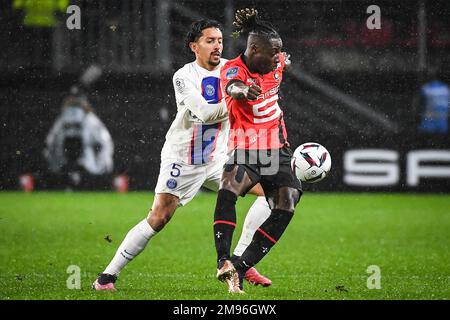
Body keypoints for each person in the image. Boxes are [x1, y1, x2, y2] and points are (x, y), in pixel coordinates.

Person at [93, 19, 273, 291]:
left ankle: (239, 261)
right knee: (159, 218)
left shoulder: (230, 69)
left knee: (270, 193)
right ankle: (106, 277)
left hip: (217, 159)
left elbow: (262, 71)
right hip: (183, 159)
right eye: (210, 41)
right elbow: (206, 113)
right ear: (194, 46)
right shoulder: (183, 76)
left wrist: (278, 62)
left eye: (220, 40)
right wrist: (239, 97)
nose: (217, 46)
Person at [213, 8, 302, 293]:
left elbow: (283, 61)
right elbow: (233, 86)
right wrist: (241, 91)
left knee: (287, 204)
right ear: (253, 50)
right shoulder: (234, 69)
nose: (277, 56)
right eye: (272, 52)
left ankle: (240, 267)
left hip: (278, 150)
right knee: (229, 190)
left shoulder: (276, 63)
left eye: (279, 51)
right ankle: (223, 261)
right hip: (247, 148)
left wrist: (283, 60)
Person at [44, 91, 114, 186]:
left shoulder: (89, 119)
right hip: (68, 160)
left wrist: (103, 161)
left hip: (85, 160)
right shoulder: (64, 118)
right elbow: (51, 141)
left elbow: (105, 142)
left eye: (76, 102)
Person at [415, 66, 450, 134]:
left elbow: (417, 108)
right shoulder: (446, 89)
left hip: (427, 127)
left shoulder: (425, 89)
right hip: (443, 127)